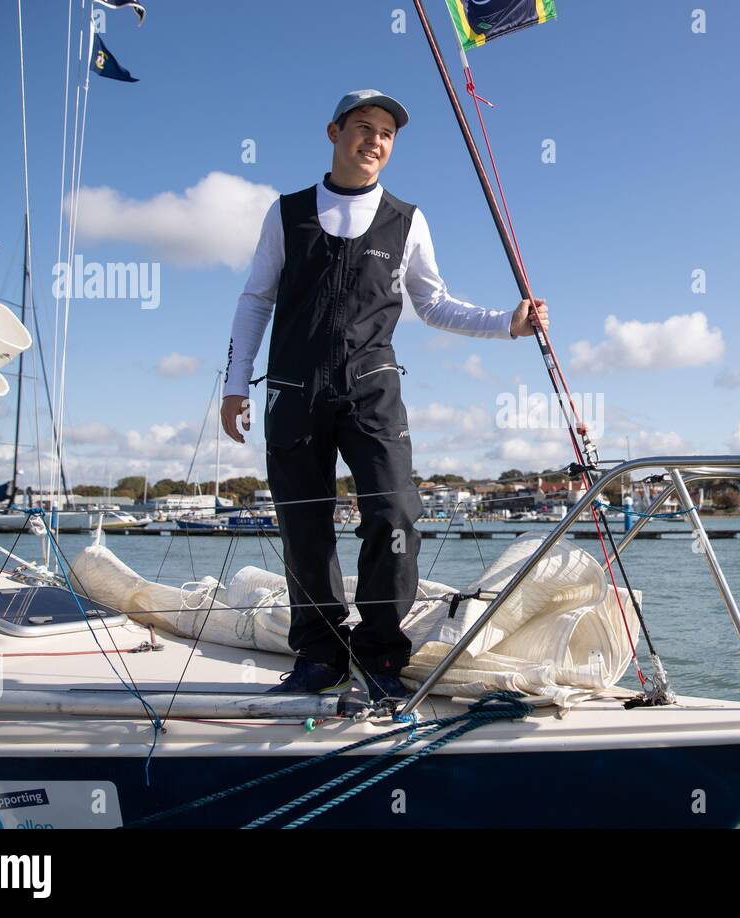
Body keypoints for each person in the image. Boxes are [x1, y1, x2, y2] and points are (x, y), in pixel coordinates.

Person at [220, 89, 547, 702]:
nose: (375, 140)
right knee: (304, 526)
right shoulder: (286, 213)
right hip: (292, 392)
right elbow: (255, 299)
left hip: (372, 391)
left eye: (387, 134)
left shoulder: (407, 219)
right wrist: (235, 383)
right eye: (364, 127)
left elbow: (433, 303)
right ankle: (319, 654)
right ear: (333, 132)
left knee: (395, 515)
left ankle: (380, 655)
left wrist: (508, 322)